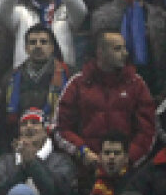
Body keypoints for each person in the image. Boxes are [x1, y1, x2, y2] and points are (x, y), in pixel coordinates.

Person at [54, 29, 156, 166]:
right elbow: (61, 128)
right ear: (100, 52)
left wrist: (128, 158)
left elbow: (148, 129)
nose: (125, 53)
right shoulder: (77, 84)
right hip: (86, 168)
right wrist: (83, 151)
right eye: (118, 49)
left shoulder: (136, 84)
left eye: (124, 48)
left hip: (128, 171)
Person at [90, 0, 166, 100]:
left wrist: (165, 92)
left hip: (153, 87)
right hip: (114, 88)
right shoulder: (103, 15)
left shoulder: (160, 16)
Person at [0, 24, 73, 129]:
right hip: (21, 133)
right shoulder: (10, 77)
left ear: (52, 47)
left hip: (57, 132)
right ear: (26, 48)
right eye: (33, 42)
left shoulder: (68, 74)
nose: (38, 46)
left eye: (43, 42)